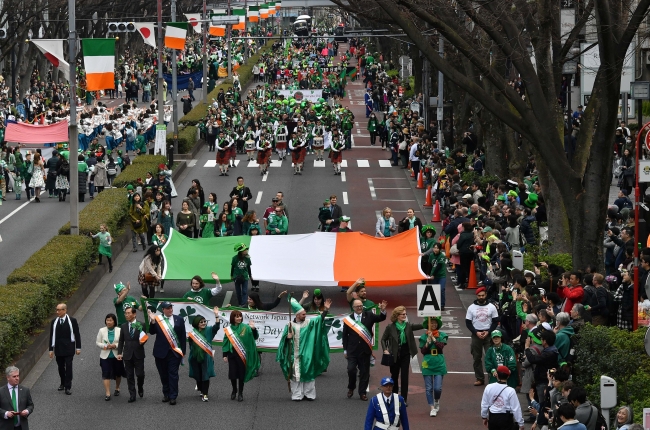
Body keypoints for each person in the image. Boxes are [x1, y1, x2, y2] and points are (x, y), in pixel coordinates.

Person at [276, 296, 333, 401]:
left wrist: (325, 310)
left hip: (307, 353)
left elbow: (319, 320)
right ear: (297, 315)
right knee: (295, 374)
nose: (305, 315)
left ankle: (309, 394)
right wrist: (287, 337)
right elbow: (283, 341)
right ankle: (297, 395)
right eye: (303, 314)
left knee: (308, 372)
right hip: (294, 354)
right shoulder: (289, 325)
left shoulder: (308, 323)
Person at [343, 298, 388, 401]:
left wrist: (383, 311)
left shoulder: (369, 315)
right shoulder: (348, 319)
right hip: (352, 350)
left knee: (364, 373)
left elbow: (381, 318)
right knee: (351, 370)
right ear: (353, 308)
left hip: (365, 350)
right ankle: (351, 387)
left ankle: (362, 393)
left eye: (361, 306)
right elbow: (345, 336)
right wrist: (345, 350)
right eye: (357, 306)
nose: (359, 308)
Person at [381, 306, 425, 405]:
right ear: (397, 316)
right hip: (394, 355)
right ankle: (395, 396)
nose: (405, 316)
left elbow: (421, 325)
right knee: (394, 376)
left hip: (405, 354)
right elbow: (383, 339)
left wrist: (430, 320)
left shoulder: (408, 326)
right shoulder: (390, 327)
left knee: (405, 377)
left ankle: (403, 399)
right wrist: (385, 350)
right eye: (403, 314)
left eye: (405, 314)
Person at [147, 302, 187, 405]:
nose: (170, 310)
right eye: (168, 308)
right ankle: (166, 394)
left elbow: (183, 336)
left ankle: (173, 396)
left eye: (171, 308)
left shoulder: (179, 319)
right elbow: (151, 332)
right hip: (160, 352)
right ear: (163, 309)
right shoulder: (158, 320)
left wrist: (183, 351)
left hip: (174, 352)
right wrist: (152, 321)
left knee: (173, 374)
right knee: (163, 374)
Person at [222, 310, 260, 402]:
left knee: (241, 374)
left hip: (242, 354)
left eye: (240, 316)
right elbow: (226, 342)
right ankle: (234, 390)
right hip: (232, 354)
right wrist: (225, 355)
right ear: (233, 318)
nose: (239, 318)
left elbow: (255, 337)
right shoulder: (229, 329)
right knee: (233, 374)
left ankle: (240, 393)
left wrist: (253, 329)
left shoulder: (246, 327)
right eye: (237, 316)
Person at [465, 286, 499, 386]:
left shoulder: (492, 307)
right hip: (476, 335)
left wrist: (488, 331)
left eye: (483, 295)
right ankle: (479, 378)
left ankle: (492, 378)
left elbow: (495, 321)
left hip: (489, 335)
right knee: (476, 357)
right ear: (476, 296)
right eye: (479, 296)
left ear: (486, 295)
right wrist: (476, 332)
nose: (481, 297)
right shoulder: (471, 307)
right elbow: (468, 322)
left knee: (491, 357)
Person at [188, 308, 220, 402]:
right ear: (197, 323)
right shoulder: (192, 334)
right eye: (201, 322)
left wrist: (216, 315)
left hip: (206, 357)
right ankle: (201, 389)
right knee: (198, 375)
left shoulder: (209, 330)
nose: (203, 323)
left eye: (204, 321)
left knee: (205, 375)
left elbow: (216, 327)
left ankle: (205, 394)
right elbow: (191, 345)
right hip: (195, 357)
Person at [116, 306, 147, 403]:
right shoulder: (124, 326)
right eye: (126, 313)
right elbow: (121, 340)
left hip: (138, 353)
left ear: (134, 314)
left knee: (140, 374)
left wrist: (143, 342)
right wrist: (119, 353)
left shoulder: (140, 324)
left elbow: (144, 337)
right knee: (129, 375)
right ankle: (132, 394)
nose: (127, 315)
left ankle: (140, 387)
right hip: (127, 354)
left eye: (129, 313)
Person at [48, 303, 81, 395]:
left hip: (69, 348)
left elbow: (77, 334)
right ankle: (62, 382)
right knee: (60, 367)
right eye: (57, 310)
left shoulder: (72, 320)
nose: (57, 312)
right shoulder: (54, 321)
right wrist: (51, 349)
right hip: (58, 348)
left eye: (59, 310)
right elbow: (51, 336)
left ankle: (68, 386)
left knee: (69, 366)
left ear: (65, 310)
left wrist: (78, 347)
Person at [418, 316, 447, 417]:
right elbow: (423, 351)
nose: (433, 325)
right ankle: (432, 407)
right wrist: (428, 342)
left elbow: (440, 347)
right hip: (427, 363)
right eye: (431, 323)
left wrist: (433, 338)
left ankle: (436, 400)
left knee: (437, 388)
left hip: (439, 362)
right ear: (428, 324)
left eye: (435, 323)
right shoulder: (423, 336)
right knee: (428, 388)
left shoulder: (442, 335)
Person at [480, 365, 525, 430]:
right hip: (506, 418)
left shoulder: (489, 387)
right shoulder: (511, 391)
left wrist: (484, 417)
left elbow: (484, 404)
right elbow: (516, 408)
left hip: (493, 417)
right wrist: (521, 423)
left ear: (497, 375)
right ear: (508, 376)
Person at [95, 313, 125, 401]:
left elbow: (123, 342)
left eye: (111, 320)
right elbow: (98, 342)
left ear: (114, 321)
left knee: (118, 373)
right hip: (105, 356)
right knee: (106, 373)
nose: (109, 322)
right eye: (107, 320)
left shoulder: (119, 330)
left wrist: (115, 346)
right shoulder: (101, 330)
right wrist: (105, 346)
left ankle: (117, 387)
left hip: (117, 355)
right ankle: (107, 393)